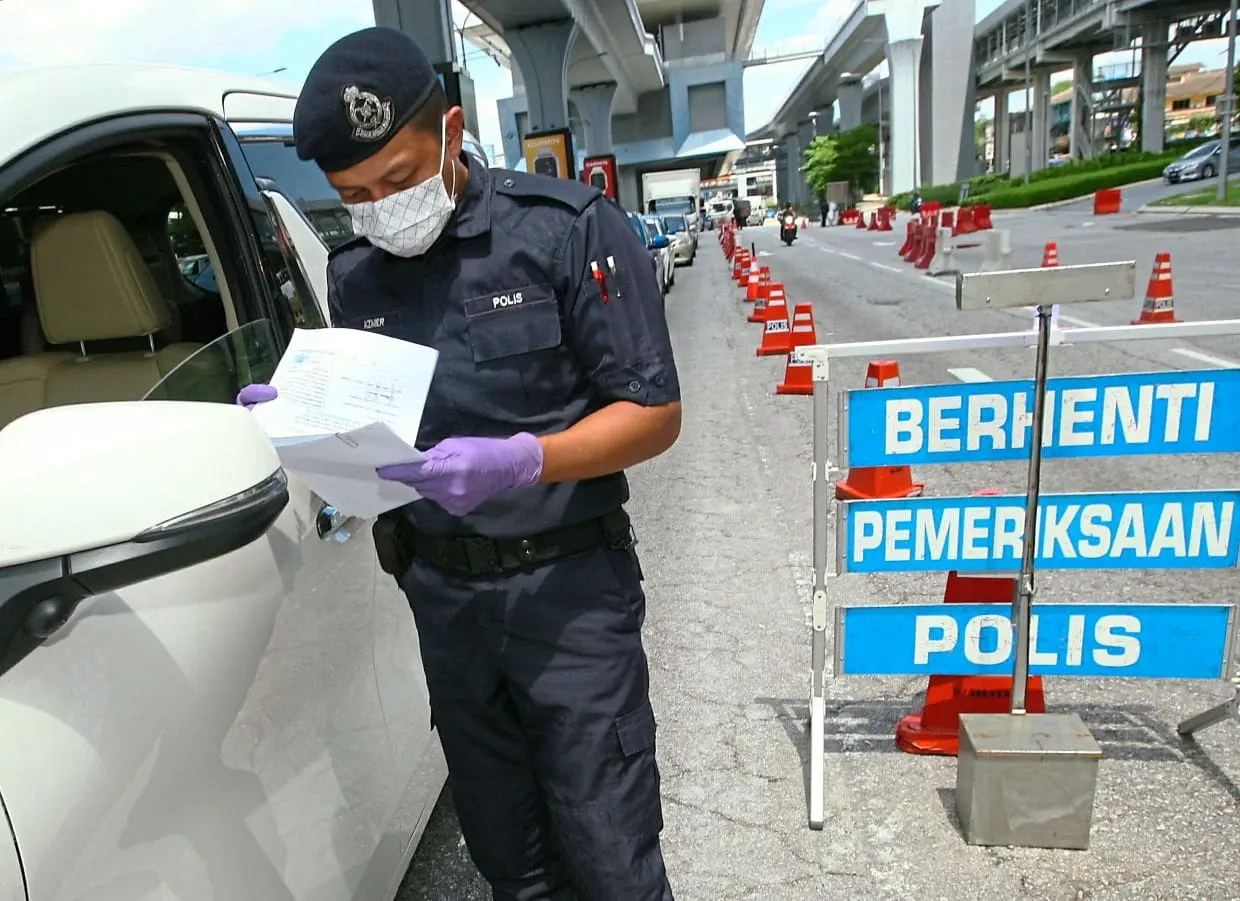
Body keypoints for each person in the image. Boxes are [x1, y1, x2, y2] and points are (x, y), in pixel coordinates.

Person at [236, 26, 681, 901]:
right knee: (510, 860)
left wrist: (525, 458)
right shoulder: (359, 275)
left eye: (398, 179)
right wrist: (306, 424)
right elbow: (375, 426)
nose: (381, 206)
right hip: (446, 605)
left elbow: (654, 412)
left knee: (609, 855)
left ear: (450, 128)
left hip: (567, 598)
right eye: (355, 194)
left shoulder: (564, 229)